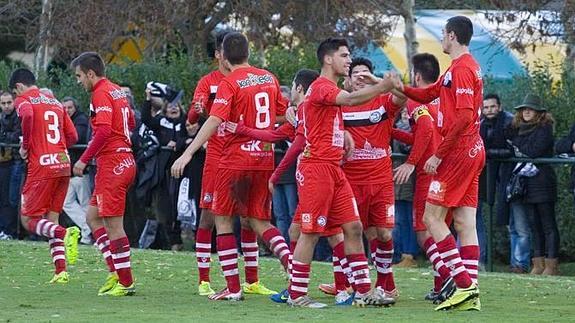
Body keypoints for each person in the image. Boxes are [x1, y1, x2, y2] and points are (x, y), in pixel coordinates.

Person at [172, 32, 290, 301]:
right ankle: (289, 260)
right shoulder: (268, 78)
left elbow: (213, 120)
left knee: (222, 219)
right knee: (259, 219)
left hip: (232, 159)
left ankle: (234, 288)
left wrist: (188, 153)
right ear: (248, 52)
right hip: (263, 158)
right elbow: (281, 112)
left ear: (223, 55)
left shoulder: (230, 82)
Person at [282, 38, 395, 308]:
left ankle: (364, 291)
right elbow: (353, 98)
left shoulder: (327, 89)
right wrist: (382, 86)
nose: (349, 60)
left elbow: (325, 120)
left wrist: (342, 134)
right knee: (309, 232)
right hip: (317, 168)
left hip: (333, 168)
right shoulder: (321, 86)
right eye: (344, 55)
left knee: (353, 228)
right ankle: (297, 295)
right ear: (328, 59)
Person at [394, 16, 484, 311]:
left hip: (458, 151)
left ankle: (464, 285)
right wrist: (400, 88)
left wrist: (438, 153)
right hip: (471, 150)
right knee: (464, 223)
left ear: (453, 36)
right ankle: (470, 292)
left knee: (431, 219)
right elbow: (429, 93)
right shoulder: (459, 68)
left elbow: (463, 117)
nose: (442, 38)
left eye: (444, 34)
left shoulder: (462, 68)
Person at [340, 57, 406, 302]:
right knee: (357, 233)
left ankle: (385, 283)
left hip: (380, 181)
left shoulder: (382, 101)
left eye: (364, 72)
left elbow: (404, 95)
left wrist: (378, 82)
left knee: (385, 234)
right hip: (350, 181)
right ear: (347, 79)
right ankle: (350, 284)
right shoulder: (341, 104)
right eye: (355, 73)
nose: (359, 76)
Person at [71, 52, 137, 296]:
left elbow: (105, 131)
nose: (79, 81)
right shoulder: (117, 90)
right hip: (123, 160)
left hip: (113, 164)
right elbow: (130, 121)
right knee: (92, 217)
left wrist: (84, 160)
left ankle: (126, 282)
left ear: (90, 73)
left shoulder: (100, 93)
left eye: (79, 76)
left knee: (114, 225)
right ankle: (115, 272)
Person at [8, 68, 79, 283]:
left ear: (19, 87)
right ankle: (61, 271)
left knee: (28, 218)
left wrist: (27, 146)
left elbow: (28, 114)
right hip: (63, 164)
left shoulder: (24, 100)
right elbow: (73, 136)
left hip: (42, 166)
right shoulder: (55, 102)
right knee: (51, 217)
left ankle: (65, 234)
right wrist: (56, 149)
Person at [506, 94, 559, 276]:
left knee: (548, 225)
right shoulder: (518, 129)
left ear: (538, 112)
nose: (526, 112)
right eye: (523, 109)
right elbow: (511, 144)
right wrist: (518, 146)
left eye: (530, 109)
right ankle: (538, 263)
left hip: (543, 182)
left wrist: (519, 147)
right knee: (534, 225)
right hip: (527, 183)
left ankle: (551, 265)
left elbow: (533, 151)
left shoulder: (545, 128)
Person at [141, 81, 187, 251]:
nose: (173, 109)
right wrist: (148, 99)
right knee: (165, 208)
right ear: (166, 108)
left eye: (176, 106)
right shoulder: (161, 121)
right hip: (164, 172)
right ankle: (174, 242)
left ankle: (189, 239)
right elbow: (146, 119)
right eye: (170, 107)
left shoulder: (186, 121)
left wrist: (180, 142)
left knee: (181, 204)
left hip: (184, 171)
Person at [479, 94, 519, 272]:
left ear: (500, 107)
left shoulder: (509, 122)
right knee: (477, 215)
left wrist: (487, 153)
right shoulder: (480, 123)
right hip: (487, 173)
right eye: (486, 107)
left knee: (513, 220)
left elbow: (511, 150)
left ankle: (517, 263)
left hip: (506, 174)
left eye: (492, 107)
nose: (489, 110)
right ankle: (480, 259)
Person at [61, 96, 92, 244]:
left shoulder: (81, 120)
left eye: (69, 107)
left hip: (80, 171)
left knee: (85, 203)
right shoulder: (63, 120)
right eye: (64, 108)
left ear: (75, 108)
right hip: (69, 171)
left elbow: (76, 137)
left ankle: (89, 234)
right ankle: (87, 229)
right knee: (67, 203)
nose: (66, 110)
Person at [392, 107, 418, 267]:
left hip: (409, 178)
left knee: (408, 217)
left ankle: (409, 254)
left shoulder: (413, 128)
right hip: (397, 176)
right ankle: (401, 253)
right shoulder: (397, 126)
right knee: (399, 218)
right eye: (402, 113)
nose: (404, 116)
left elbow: (409, 147)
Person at [0, 91, 21, 239]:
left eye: (9, 103)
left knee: (12, 198)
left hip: (16, 161)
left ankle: (10, 231)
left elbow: (17, 136)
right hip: (5, 161)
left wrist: (5, 136)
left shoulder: (18, 117)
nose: (7, 106)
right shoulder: (2, 118)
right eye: (3, 103)